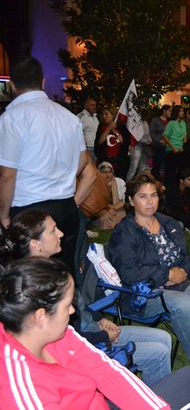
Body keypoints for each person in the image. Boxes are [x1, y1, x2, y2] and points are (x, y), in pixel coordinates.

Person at [0, 257, 190, 410]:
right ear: (40, 317)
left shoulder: (57, 334)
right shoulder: (20, 389)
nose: (73, 311)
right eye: (67, 306)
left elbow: (107, 372)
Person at [2, 210, 172, 386]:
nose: (61, 233)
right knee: (157, 353)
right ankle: (154, 397)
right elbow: (67, 340)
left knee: (164, 338)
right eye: (53, 231)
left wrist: (100, 319)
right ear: (35, 244)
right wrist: (103, 337)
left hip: (94, 332)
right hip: (86, 347)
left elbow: (79, 305)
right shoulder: (34, 286)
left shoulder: (52, 268)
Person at [108, 174, 190, 376]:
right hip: (142, 293)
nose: (150, 201)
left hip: (177, 282)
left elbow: (185, 255)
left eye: (153, 195)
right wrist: (166, 275)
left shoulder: (168, 223)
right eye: (142, 196)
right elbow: (129, 273)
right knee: (185, 304)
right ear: (130, 201)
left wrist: (183, 271)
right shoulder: (124, 232)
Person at [0, 56, 92, 282]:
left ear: (12, 85)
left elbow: (7, 175)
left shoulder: (12, 118)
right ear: (42, 82)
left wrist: (3, 216)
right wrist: (61, 179)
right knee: (64, 275)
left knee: (30, 278)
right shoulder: (68, 116)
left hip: (29, 211)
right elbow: (83, 162)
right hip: (65, 207)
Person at [91, 161, 126, 230]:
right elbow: (97, 203)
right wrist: (109, 208)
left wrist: (114, 208)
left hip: (117, 208)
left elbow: (124, 201)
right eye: (105, 172)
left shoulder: (120, 182)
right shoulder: (96, 183)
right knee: (104, 216)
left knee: (122, 215)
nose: (108, 175)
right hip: (102, 209)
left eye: (110, 172)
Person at [96, 106, 126, 178]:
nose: (104, 116)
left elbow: (124, 142)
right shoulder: (102, 127)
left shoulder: (122, 128)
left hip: (118, 162)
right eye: (103, 114)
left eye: (106, 114)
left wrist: (115, 132)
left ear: (113, 115)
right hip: (105, 160)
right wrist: (108, 128)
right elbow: (99, 141)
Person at [163, 105, 187, 185]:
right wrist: (173, 147)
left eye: (183, 111)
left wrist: (184, 146)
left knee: (181, 170)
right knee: (171, 171)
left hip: (181, 149)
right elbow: (165, 136)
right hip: (172, 149)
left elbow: (185, 136)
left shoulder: (183, 123)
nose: (182, 113)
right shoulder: (171, 123)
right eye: (180, 111)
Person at [150, 104, 171, 180]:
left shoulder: (170, 122)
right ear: (164, 111)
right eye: (169, 111)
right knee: (157, 165)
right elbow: (151, 132)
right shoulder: (155, 120)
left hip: (167, 146)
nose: (170, 113)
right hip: (158, 146)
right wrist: (158, 140)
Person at [78, 97, 100, 162]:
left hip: (96, 149)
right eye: (92, 105)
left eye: (95, 105)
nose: (95, 107)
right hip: (88, 149)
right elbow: (77, 133)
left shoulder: (95, 116)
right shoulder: (82, 117)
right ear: (86, 106)